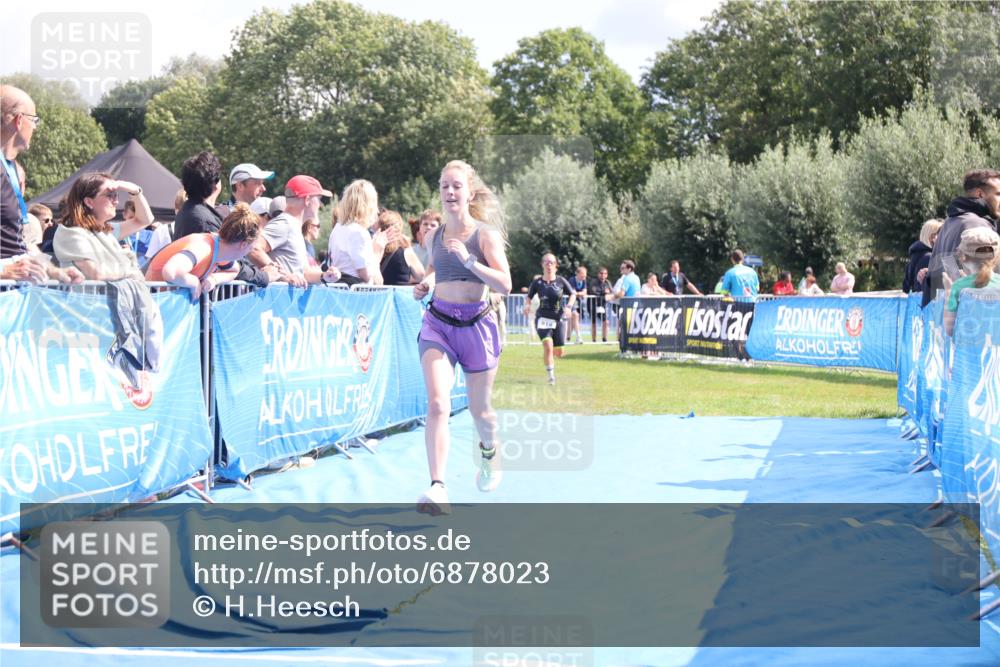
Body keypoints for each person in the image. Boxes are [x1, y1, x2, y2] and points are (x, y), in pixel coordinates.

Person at [412, 160, 511, 515]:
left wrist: (470, 260)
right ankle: (438, 486)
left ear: (469, 192)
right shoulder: (432, 236)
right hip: (437, 323)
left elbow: (505, 283)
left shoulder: (484, 235)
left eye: (456, 186)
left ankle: (489, 452)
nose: (450, 193)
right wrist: (425, 284)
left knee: (481, 411)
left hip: (477, 326)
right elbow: (435, 272)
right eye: (444, 186)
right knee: (438, 403)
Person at [1, 84, 81, 284]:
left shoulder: (9, 170)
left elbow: (19, 243)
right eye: (34, 120)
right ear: (19, 120)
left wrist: (56, 272)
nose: (35, 127)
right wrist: (4, 271)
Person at [173, 151, 277, 287]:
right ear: (216, 184)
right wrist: (265, 276)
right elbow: (229, 259)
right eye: (257, 183)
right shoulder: (204, 220)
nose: (263, 188)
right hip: (202, 300)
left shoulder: (192, 212)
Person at [146, 203, 261, 301]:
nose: (253, 249)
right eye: (253, 245)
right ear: (244, 244)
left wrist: (214, 279)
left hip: (162, 303)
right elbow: (171, 272)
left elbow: (234, 271)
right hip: (152, 303)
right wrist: (194, 282)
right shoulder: (203, 247)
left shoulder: (219, 250)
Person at [924, 169, 1000, 306]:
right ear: (980, 194)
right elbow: (989, 279)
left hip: (945, 317)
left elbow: (939, 275)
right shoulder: (978, 227)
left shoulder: (950, 223)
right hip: (975, 318)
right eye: (998, 194)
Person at [248, 174, 340, 286]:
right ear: (307, 200)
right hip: (278, 301)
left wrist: (325, 275)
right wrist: (284, 275)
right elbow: (253, 248)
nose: (320, 204)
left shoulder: (293, 226)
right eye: (318, 199)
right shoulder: (286, 224)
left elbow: (304, 273)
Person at [524, 253, 576, 385]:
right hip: (542, 318)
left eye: (551, 262)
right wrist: (527, 305)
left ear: (556, 266)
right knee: (548, 346)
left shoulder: (561, 281)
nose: (549, 265)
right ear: (542, 265)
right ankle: (551, 376)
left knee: (559, 352)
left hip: (558, 319)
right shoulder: (537, 282)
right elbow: (529, 297)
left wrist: (569, 307)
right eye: (546, 262)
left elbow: (573, 294)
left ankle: (551, 358)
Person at [327, 179, 390, 285]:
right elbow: (366, 275)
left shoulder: (338, 228)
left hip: (340, 290)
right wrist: (376, 252)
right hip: (357, 295)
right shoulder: (359, 232)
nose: (377, 210)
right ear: (368, 206)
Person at [944, 227, 1000, 337]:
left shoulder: (958, 287)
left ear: (963, 256)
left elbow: (949, 330)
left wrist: (948, 292)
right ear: (996, 257)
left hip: (969, 351)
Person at [377, 209, 425, 285]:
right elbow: (420, 276)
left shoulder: (374, 249)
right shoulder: (406, 252)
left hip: (379, 295)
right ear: (399, 229)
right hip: (398, 295)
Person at [903, 219, 942, 293]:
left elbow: (906, 287)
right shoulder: (929, 258)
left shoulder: (915, 256)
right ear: (932, 237)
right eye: (942, 234)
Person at [587, 266, 613, 342]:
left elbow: (611, 292)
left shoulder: (607, 282)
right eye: (601, 273)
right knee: (593, 322)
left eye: (605, 273)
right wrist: (604, 293)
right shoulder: (593, 282)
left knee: (606, 322)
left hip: (602, 305)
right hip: (592, 305)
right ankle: (594, 340)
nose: (603, 275)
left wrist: (606, 293)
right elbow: (594, 292)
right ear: (598, 274)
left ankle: (604, 339)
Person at [569, 265, 588, 344]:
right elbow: (573, 292)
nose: (585, 276)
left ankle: (567, 337)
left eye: (585, 274)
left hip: (579, 302)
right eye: (583, 274)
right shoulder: (572, 280)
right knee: (575, 315)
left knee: (576, 320)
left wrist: (579, 293)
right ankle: (578, 337)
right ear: (577, 274)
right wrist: (580, 293)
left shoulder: (584, 281)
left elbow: (585, 292)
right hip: (570, 301)